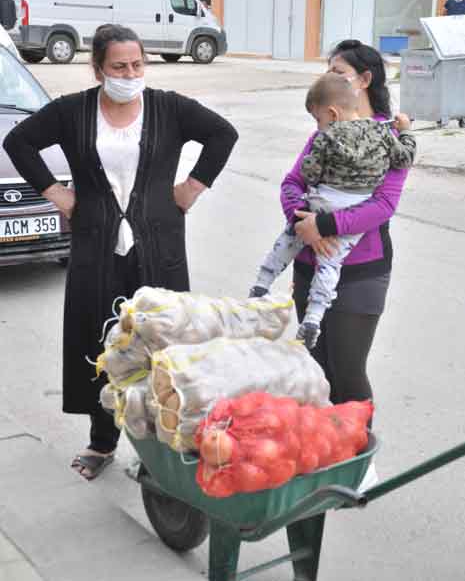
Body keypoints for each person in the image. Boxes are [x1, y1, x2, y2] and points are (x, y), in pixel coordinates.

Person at [3, 24, 238, 481]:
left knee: (162, 346)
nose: (130, 74)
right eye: (119, 66)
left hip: (158, 244)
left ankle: (162, 449)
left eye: (137, 65)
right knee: (100, 341)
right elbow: (19, 142)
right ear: (97, 69)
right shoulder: (74, 111)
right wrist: (57, 193)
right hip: (97, 245)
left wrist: (192, 188)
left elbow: (222, 135)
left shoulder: (168, 107)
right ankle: (102, 440)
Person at [280, 40, 411, 427]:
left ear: (364, 80)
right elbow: (291, 183)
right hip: (308, 263)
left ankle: (357, 463)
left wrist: (322, 227)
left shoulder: (388, 136)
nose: (327, 79)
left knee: (347, 370)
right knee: (316, 370)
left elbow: (383, 206)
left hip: (362, 271)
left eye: (337, 72)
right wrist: (301, 222)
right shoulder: (325, 129)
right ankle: (324, 459)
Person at [249, 73, 416, 350]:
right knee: (329, 265)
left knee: (287, 242)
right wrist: (407, 131)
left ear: (332, 112)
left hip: (333, 219)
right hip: (351, 216)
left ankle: (261, 285)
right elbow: (406, 158)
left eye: (318, 119)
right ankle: (313, 318)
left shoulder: (325, 136)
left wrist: (316, 221)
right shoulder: (386, 135)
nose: (317, 125)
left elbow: (306, 174)